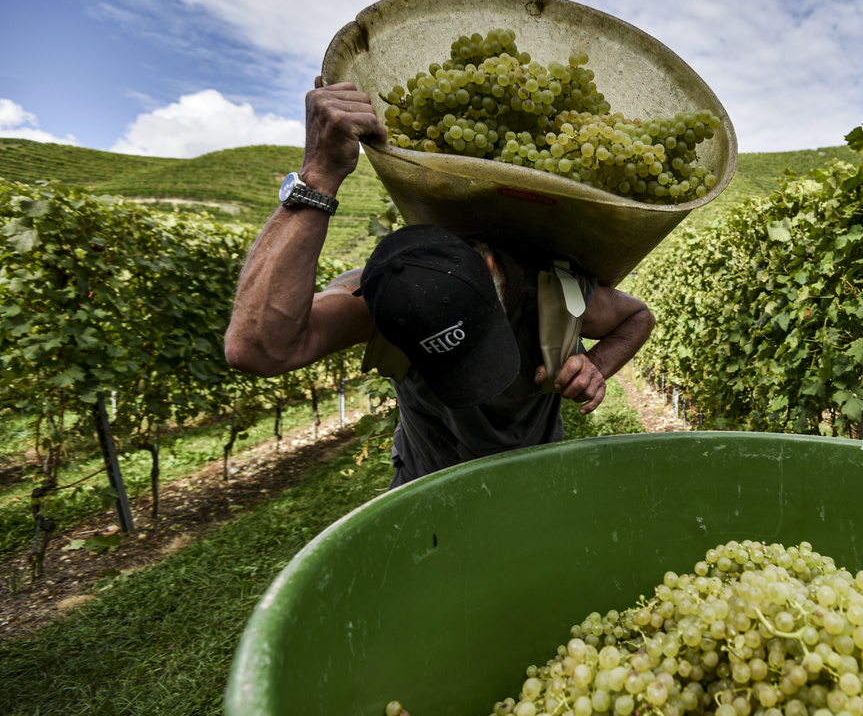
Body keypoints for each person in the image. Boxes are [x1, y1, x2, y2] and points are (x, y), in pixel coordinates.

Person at [224, 80, 655, 487]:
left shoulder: (550, 294)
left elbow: (637, 316)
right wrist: (320, 173)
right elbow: (257, 348)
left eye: (484, 339)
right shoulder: (387, 296)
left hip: (532, 476)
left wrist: (596, 366)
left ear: (491, 269)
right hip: (425, 481)